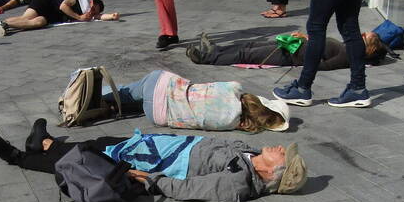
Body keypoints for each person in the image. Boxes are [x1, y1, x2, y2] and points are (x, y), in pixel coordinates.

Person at [0, 119, 308, 202]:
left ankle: (20, 155)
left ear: (275, 171)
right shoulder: (251, 156)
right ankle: (44, 142)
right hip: (167, 146)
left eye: (284, 153)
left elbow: (190, 189)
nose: (281, 147)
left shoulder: (237, 182)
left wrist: (149, 181)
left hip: (160, 162)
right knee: (101, 144)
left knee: (85, 159)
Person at [102, 69, 291, 132]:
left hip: (161, 85)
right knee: (142, 102)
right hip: (159, 116)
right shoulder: (234, 124)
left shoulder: (234, 87)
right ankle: (112, 106)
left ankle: (91, 95)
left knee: (127, 92)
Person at [188, 31, 387, 68]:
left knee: (246, 55)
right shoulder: (345, 47)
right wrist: (306, 38)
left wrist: (298, 52)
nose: (360, 34)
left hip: (290, 54)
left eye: (364, 37)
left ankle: (206, 58)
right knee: (248, 46)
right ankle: (216, 49)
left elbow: (321, 66)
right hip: (294, 46)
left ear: (368, 48)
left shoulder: (346, 56)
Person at [0, 0, 118, 36]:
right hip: (45, 3)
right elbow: (63, 6)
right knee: (25, 18)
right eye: (93, 8)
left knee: (37, 23)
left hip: (50, 17)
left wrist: (112, 16)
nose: (92, 11)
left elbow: (100, 17)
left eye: (94, 11)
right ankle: (1, 23)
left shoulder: (90, 14)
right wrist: (79, 17)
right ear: (91, 2)